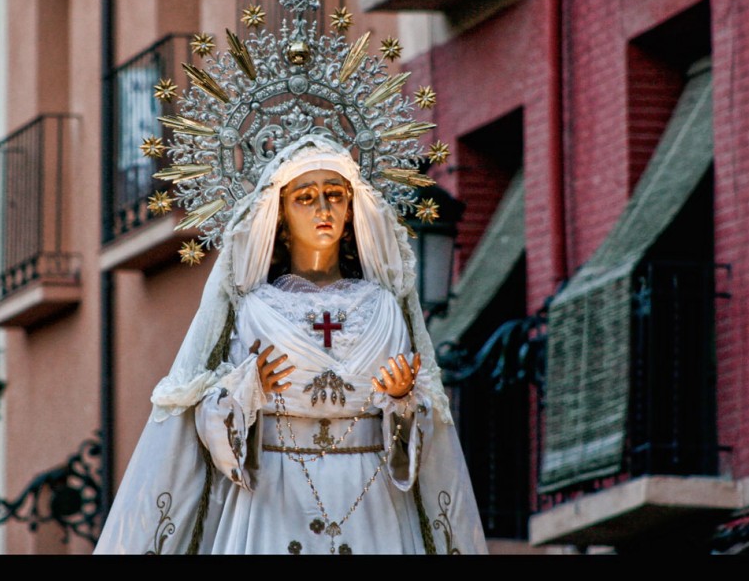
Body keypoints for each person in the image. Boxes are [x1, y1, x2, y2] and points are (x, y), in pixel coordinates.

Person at [94, 134, 488, 554]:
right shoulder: (254, 309)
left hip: (371, 497)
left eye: (335, 194)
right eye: (305, 197)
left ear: (352, 207)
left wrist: (402, 398)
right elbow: (206, 414)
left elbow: (422, 422)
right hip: (275, 494)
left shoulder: (385, 308)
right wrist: (247, 389)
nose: (324, 209)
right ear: (279, 215)